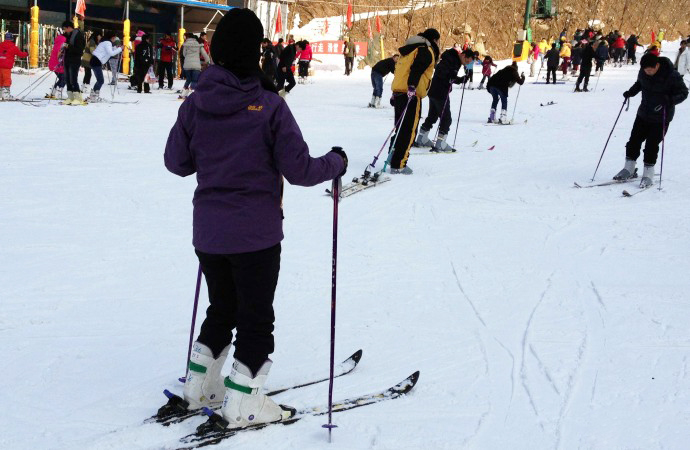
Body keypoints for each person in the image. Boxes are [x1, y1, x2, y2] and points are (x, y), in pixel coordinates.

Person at [164, 8, 347, 429]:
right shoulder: (268, 105)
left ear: (215, 49)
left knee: (222, 308)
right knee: (255, 318)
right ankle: (243, 402)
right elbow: (300, 170)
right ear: (256, 52)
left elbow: (177, 162)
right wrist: (335, 162)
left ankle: (199, 387)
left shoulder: (196, 104)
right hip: (256, 236)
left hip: (209, 234)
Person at [614, 53, 688, 187]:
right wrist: (631, 92)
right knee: (633, 142)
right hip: (643, 114)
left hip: (661, 117)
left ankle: (648, 174)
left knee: (651, 146)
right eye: (645, 70)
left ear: (657, 66)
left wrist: (671, 100)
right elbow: (639, 84)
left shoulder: (672, 75)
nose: (647, 72)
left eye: (650, 70)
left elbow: (684, 93)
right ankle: (628, 168)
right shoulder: (643, 73)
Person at [388, 28, 439, 174]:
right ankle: (399, 164)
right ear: (434, 40)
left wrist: (394, 92)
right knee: (409, 130)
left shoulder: (408, 50)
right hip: (411, 93)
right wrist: (412, 86)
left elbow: (399, 71)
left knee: (400, 128)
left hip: (399, 92)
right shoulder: (425, 50)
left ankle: (393, 158)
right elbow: (416, 70)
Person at [415, 48, 473, 152]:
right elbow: (443, 71)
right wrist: (454, 78)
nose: (466, 64)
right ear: (463, 55)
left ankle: (421, 138)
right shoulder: (452, 59)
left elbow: (448, 74)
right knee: (446, 118)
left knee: (432, 116)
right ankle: (440, 143)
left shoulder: (451, 58)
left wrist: (459, 79)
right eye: (467, 61)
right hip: (440, 92)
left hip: (434, 91)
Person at [88, 33, 123, 102]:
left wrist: (117, 48)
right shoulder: (107, 43)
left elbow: (110, 50)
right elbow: (111, 53)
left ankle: (94, 96)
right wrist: (120, 49)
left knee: (100, 80)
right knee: (100, 80)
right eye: (114, 38)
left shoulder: (104, 42)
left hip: (95, 60)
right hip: (96, 61)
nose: (114, 40)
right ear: (112, 38)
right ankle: (93, 96)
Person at [62, 21, 86, 105]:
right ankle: (70, 97)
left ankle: (78, 97)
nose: (65, 31)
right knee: (67, 78)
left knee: (73, 79)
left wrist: (69, 46)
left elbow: (79, 50)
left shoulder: (78, 35)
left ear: (69, 27)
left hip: (75, 60)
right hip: (67, 59)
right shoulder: (67, 36)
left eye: (65, 29)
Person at [0, 32, 29, 100]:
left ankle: (1, 94)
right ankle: (6, 95)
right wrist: (26, 54)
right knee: (7, 80)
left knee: (1, 79)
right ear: (12, 39)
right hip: (6, 66)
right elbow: (20, 54)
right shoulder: (13, 47)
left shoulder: (1, 45)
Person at [180, 33, 209, 98]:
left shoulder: (185, 45)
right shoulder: (199, 45)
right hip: (196, 65)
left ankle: (183, 94)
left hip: (187, 65)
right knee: (195, 80)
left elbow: (184, 54)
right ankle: (192, 94)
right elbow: (205, 55)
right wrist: (207, 61)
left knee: (188, 79)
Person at [46, 28, 67, 99]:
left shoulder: (57, 41)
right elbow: (60, 53)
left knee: (61, 78)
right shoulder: (63, 41)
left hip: (53, 63)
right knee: (65, 78)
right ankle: (59, 92)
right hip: (59, 64)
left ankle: (53, 91)